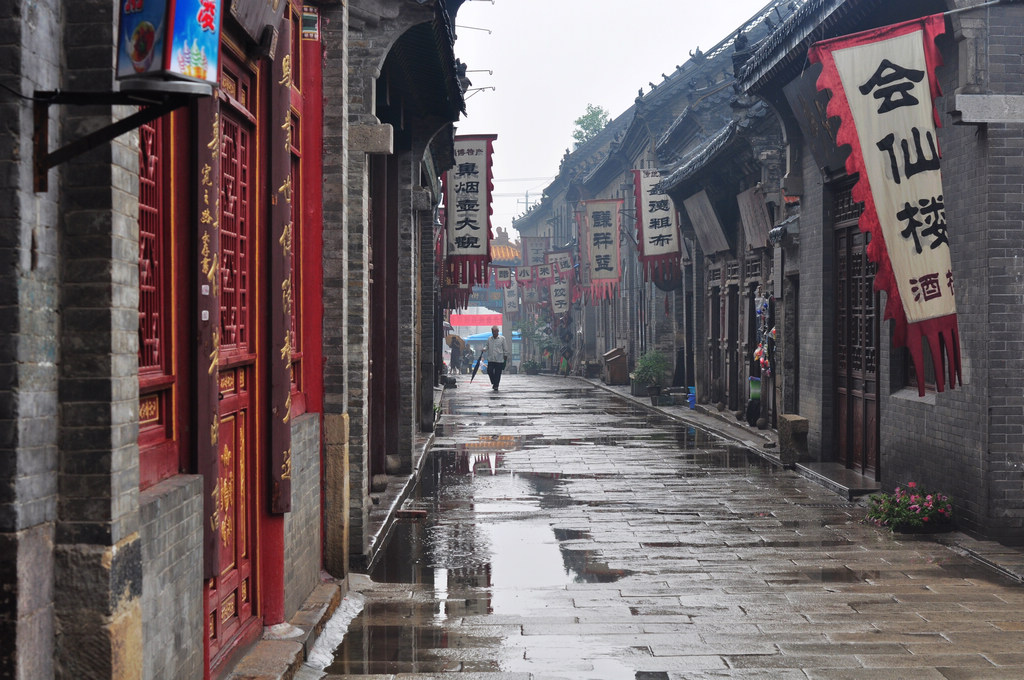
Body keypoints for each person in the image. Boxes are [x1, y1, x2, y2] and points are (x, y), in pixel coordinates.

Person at [484, 325, 510, 391]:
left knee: (498, 373)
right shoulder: (489, 339)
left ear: (498, 331)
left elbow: (505, 348)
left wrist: (505, 357)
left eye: (495, 331)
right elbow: (487, 346)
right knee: (489, 371)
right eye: (493, 331)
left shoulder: (502, 339)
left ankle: (496, 385)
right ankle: (493, 382)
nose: (494, 333)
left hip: (499, 359)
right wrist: (484, 349)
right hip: (491, 359)